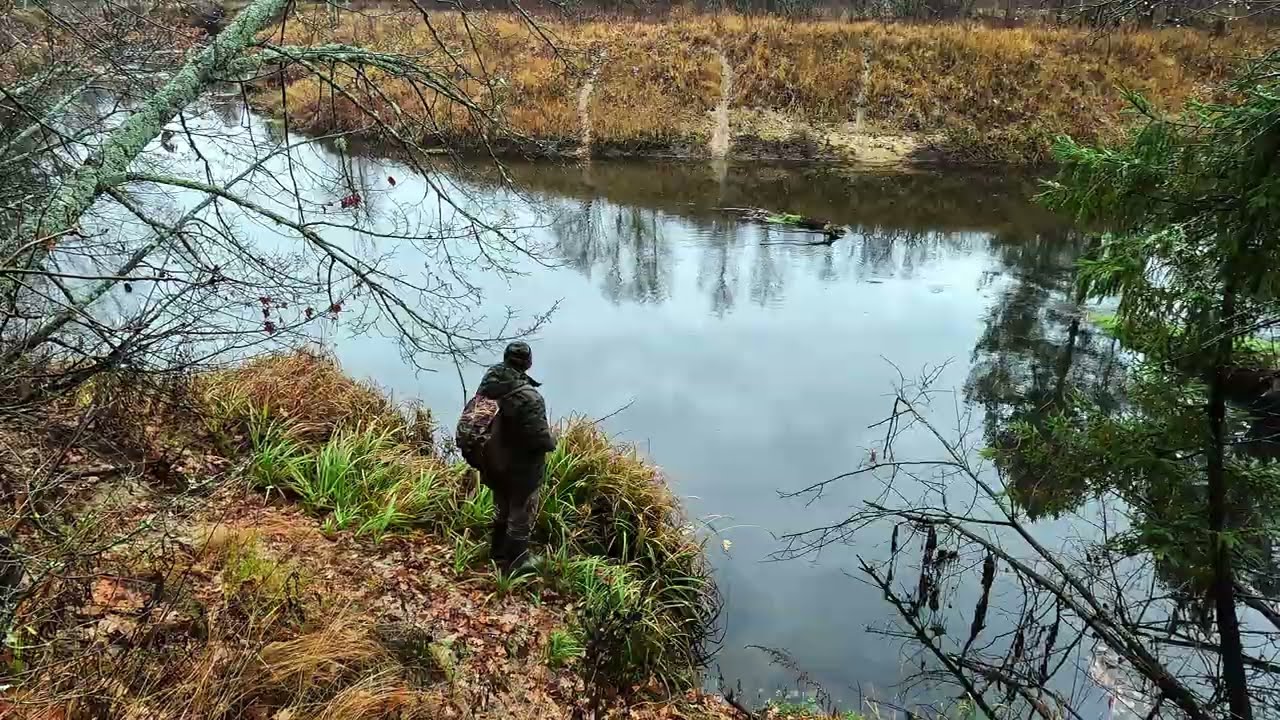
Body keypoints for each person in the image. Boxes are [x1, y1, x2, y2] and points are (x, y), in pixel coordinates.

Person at [477, 341, 556, 571]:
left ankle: (497, 552)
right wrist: (553, 442)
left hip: (493, 460)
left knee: (501, 506)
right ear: (528, 363)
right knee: (521, 513)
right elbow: (539, 439)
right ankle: (517, 561)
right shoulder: (530, 398)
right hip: (521, 467)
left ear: (505, 358)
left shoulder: (489, 384)